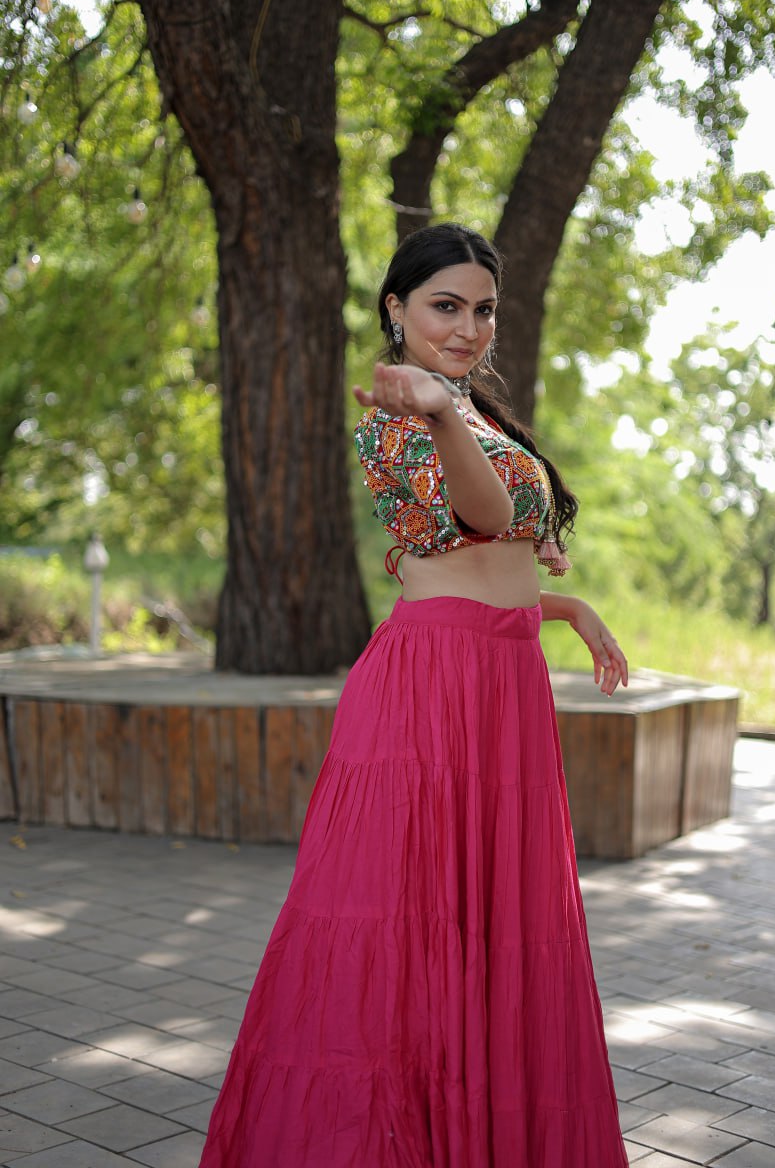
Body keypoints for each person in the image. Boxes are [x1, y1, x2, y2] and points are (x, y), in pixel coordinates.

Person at [199, 223, 629, 1167]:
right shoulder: (398, 413)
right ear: (396, 309)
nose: (468, 327)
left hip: (503, 680)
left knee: (495, 935)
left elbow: (497, 560)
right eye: (445, 306)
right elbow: (479, 519)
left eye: (482, 309)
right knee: (410, 938)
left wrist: (571, 608)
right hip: (432, 692)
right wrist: (436, 410)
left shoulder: (470, 409)